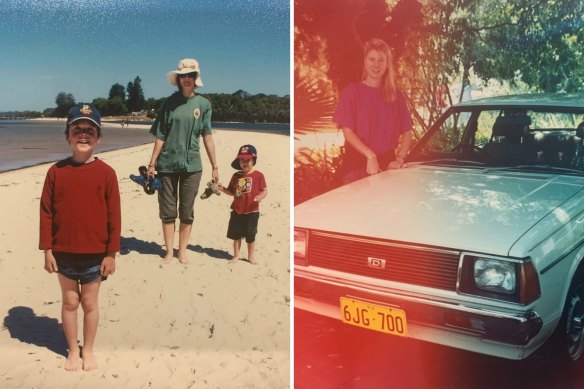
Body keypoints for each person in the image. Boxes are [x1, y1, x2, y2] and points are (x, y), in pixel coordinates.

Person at [39, 104, 121, 371]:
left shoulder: (106, 173)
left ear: (98, 138)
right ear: (67, 136)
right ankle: (73, 350)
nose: (83, 135)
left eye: (89, 130)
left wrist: (111, 253)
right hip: (63, 253)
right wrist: (47, 249)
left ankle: (89, 350)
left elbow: (114, 217)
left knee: (89, 302)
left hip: (95, 254)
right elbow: (46, 213)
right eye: (77, 130)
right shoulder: (56, 171)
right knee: (70, 301)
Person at [148, 58, 219, 265]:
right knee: (168, 210)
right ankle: (169, 251)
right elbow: (160, 135)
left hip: (193, 166)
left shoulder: (204, 104)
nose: (186, 79)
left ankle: (183, 251)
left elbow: (207, 135)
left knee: (187, 211)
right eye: (183, 76)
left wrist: (215, 166)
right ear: (178, 79)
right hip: (167, 165)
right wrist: (152, 164)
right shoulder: (168, 104)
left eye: (190, 75)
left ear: (196, 78)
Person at [333, 38, 414, 183]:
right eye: (372, 59)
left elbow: (408, 132)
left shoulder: (397, 96)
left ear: (387, 63)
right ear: (365, 61)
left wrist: (400, 158)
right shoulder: (351, 92)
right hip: (356, 166)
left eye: (381, 60)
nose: (376, 65)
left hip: (388, 168)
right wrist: (370, 155)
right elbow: (348, 132)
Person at [218, 145, 267, 265]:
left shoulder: (258, 175)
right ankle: (236, 256)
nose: (245, 163)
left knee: (251, 235)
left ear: (253, 161)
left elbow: (265, 190)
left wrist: (260, 197)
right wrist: (222, 188)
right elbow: (231, 192)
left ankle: (250, 257)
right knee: (236, 235)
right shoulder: (236, 176)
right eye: (242, 160)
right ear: (238, 161)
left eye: (248, 160)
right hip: (237, 210)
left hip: (252, 211)